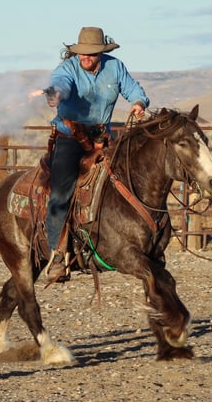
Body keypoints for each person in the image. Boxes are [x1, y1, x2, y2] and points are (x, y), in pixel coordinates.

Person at [42, 26, 150, 282]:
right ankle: (57, 253)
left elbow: (134, 89)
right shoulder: (67, 69)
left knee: (128, 178)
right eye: (82, 53)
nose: (85, 57)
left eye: (91, 53)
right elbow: (60, 85)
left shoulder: (115, 67)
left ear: (101, 53)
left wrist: (137, 103)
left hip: (101, 137)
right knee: (60, 191)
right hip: (70, 137)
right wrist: (55, 94)